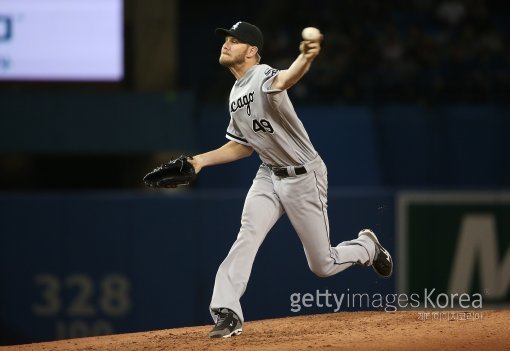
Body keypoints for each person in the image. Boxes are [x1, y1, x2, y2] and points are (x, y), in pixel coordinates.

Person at [188, 21, 393, 338]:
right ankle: (227, 311)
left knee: (322, 265)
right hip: (268, 173)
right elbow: (243, 145)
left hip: (303, 176)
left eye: (235, 40)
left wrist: (306, 58)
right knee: (248, 234)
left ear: (252, 51)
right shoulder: (235, 92)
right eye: (225, 39)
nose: (226, 44)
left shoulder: (262, 75)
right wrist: (198, 160)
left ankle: (367, 247)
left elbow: (286, 78)